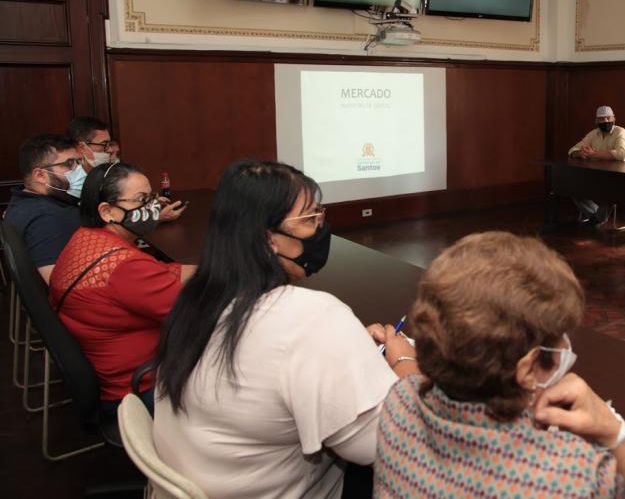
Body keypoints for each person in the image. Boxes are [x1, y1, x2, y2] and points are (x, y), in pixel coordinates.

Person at [152, 160, 418, 498]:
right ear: (269, 239)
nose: (321, 228)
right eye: (309, 220)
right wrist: (404, 364)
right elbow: (385, 445)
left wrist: (344, 352)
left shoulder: (197, 298)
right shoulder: (312, 317)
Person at [375, 232, 625, 499]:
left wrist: (402, 357)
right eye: (559, 338)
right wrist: (616, 436)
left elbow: (411, 381)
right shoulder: (577, 476)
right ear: (529, 368)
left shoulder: (396, 404)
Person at [48, 162, 195, 413]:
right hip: (140, 389)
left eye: (151, 197)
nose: (152, 207)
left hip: (111, 371)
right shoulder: (124, 267)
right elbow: (197, 313)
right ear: (107, 211)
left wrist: (212, 267)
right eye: (141, 200)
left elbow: (158, 274)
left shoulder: (87, 238)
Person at [66, 116, 185, 222]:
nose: (109, 150)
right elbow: (104, 220)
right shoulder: (73, 184)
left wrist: (145, 203)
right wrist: (154, 218)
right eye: (104, 144)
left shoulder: (105, 174)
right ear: (82, 147)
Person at [3, 134, 84, 283]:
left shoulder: (22, 200)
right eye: (69, 164)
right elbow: (63, 286)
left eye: (79, 162)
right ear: (40, 175)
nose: (80, 171)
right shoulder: (49, 218)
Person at [568, 105, 625, 226]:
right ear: (596, 121)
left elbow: (622, 154)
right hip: (597, 174)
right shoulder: (593, 134)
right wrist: (579, 153)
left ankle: (597, 219)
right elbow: (572, 149)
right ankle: (596, 217)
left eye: (608, 118)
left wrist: (594, 154)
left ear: (614, 119)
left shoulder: (620, 132)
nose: (605, 121)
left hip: (619, 176)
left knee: (609, 191)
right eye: (601, 119)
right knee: (573, 187)